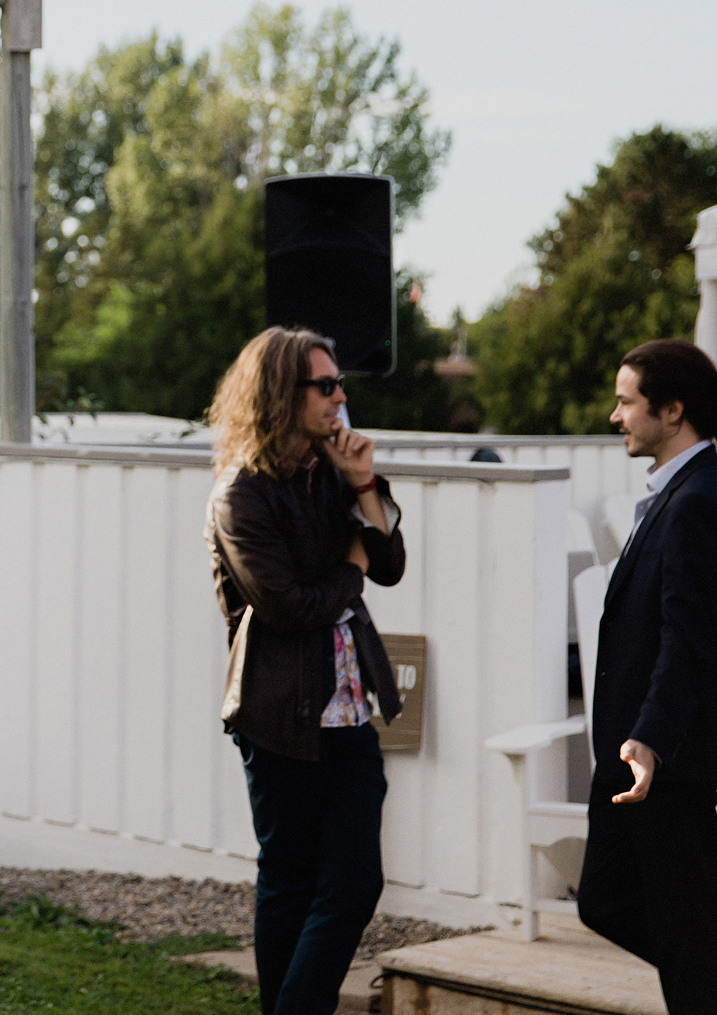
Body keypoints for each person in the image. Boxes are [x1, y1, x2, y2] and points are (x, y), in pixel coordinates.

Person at [204, 326, 407, 1015]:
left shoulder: (330, 474)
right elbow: (290, 605)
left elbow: (391, 562)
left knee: (353, 881)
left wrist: (364, 482)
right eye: (326, 385)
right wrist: (350, 563)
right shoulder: (241, 494)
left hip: (350, 709)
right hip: (279, 712)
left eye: (339, 383)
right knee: (290, 880)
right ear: (281, 395)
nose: (340, 397)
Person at [575, 339, 717, 1012]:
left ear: (672, 410)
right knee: (606, 900)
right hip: (637, 761)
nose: (615, 414)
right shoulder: (685, 489)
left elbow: (689, 641)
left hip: (666, 763)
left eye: (627, 401)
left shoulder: (702, 499)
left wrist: (648, 740)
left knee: (691, 950)